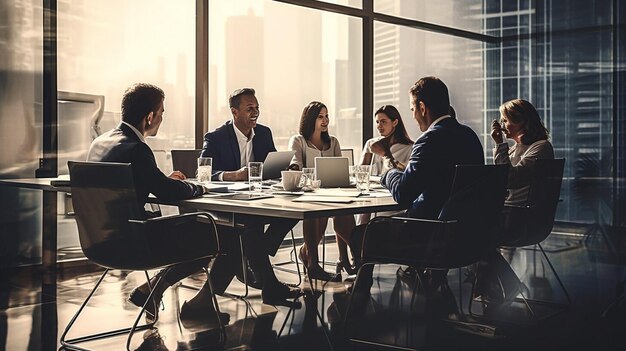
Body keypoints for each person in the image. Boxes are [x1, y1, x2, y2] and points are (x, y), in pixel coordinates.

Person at [87, 83, 227, 323]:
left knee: (204, 232)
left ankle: (152, 290)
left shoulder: (101, 142)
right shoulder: (137, 148)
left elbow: (146, 182)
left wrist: (161, 180)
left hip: (99, 239)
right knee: (221, 235)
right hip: (134, 242)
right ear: (150, 116)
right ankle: (195, 304)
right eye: (161, 113)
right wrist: (198, 187)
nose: (161, 118)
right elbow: (167, 193)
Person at [350, 76, 484, 293]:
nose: (413, 115)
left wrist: (388, 171)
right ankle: (428, 286)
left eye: (413, 108)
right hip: (468, 233)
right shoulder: (470, 137)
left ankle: (359, 303)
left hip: (429, 234)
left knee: (360, 235)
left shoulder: (429, 140)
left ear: (422, 107)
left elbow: (403, 193)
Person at [200, 88, 300, 305]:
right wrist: (233, 175)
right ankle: (268, 283)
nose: (255, 112)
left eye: (257, 108)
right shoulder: (216, 137)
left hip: (258, 198)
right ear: (234, 112)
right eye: (249, 108)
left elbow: (272, 164)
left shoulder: (264, 133)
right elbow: (203, 173)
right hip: (227, 204)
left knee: (294, 210)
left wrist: (287, 167)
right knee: (250, 224)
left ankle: (253, 255)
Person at [472, 98, 554, 305]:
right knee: (470, 231)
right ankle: (493, 290)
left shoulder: (541, 147)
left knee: (471, 234)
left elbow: (509, 179)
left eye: (506, 120)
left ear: (523, 122)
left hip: (522, 219)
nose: (502, 125)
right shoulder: (513, 149)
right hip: (508, 214)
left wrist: (499, 144)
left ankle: (495, 288)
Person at [287, 101, 356, 280]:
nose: (325, 120)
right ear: (310, 119)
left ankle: (348, 258)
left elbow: (340, 170)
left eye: (326, 116)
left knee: (345, 212)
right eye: (320, 116)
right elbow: (296, 166)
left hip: (332, 192)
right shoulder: (298, 140)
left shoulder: (333, 142)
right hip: (309, 195)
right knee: (317, 213)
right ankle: (313, 264)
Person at [356, 105, 413, 226]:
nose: (379, 126)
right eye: (377, 122)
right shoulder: (371, 144)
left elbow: (405, 177)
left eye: (383, 122)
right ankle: (358, 242)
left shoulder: (408, 148)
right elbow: (361, 173)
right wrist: (367, 155)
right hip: (370, 197)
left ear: (395, 122)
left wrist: (385, 154)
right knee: (345, 219)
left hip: (391, 200)